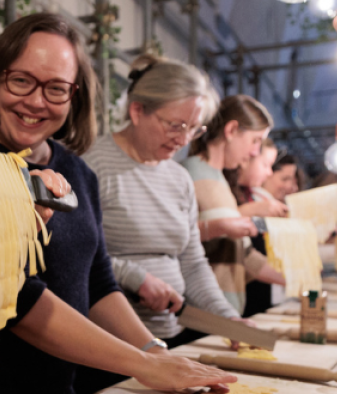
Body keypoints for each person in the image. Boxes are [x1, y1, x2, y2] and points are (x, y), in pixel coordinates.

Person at [0, 14, 236, 394]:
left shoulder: (78, 172)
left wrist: (154, 350)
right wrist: (143, 364)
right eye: (21, 80)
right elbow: (13, 298)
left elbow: (99, 282)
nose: (35, 101)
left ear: (75, 95)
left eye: (56, 88)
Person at [82, 54, 246, 351]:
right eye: (174, 125)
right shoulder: (93, 166)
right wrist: (136, 278)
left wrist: (227, 319)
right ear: (137, 111)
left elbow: (193, 263)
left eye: (194, 128)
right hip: (109, 342)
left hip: (172, 337)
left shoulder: (179, 178)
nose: (183, 139)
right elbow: (80, 254)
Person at [181, 95, 285, 315]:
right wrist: (218, 227)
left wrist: (299, 278)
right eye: (255, 140)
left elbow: (245, 256)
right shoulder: (187, 174)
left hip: (226, 313)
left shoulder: (221, 181)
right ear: (231, 131)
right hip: (199, 313)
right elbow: (173, 238)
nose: (255, 152)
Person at [234, 139, 287, 317]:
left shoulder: (257, 196)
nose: (269, 173)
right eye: (266, 165)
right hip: (239, 291)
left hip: (257, 290)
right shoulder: (228, 194)